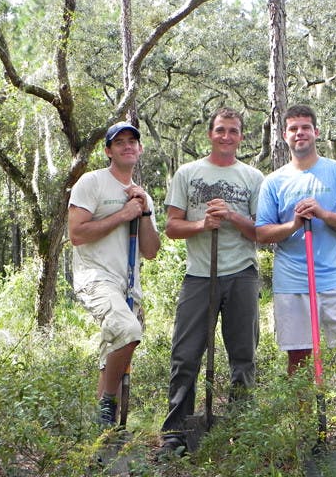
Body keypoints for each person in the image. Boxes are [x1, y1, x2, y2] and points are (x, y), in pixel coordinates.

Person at [256, 105, 336, 442]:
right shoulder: (274, 181)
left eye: (306, 127)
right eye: (293, 128)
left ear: (316, 132)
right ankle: (306, 428)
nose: (300, 133)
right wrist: (294, 224)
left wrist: (324, 213)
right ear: (285, 135)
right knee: (298, 354)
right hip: (292, 279)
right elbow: (262, 233)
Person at [160, 107, 264, 454]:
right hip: (199, 276)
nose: (226, 136)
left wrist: (232, 215)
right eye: (220, 130)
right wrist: (202, 225)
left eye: (233, 131)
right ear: (210, 134)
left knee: (243, 353)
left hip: (241, 274)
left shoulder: (252, 177)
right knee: (186, 355)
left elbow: (260, 233)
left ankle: (241, 426)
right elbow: (173, 226)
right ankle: (176, 430)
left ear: (241, 137)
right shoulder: (187, 173)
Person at [68, 122, 161, 428]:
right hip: (94, 277)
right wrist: (122, 215)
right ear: (108, 151)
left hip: (128, 283)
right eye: (119, 142)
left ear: (140, 149)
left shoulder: (142, 195)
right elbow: (77, 234)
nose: (127, 146)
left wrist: (143, 211)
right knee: (128, 330)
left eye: (132, 141)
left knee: (115, 349)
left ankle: (104, 436)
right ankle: (107, 403)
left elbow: (150, 250)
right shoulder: (91, 183)